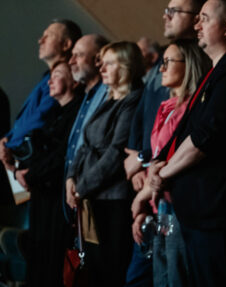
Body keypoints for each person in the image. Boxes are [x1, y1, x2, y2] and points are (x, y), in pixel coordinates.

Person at [149, 0, 226, 287]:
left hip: (219, 215)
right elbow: (188, 134)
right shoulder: (216, 72)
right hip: (200, 213)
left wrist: (163, 173)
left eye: (205, 19)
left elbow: (204, 138)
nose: (196, 24)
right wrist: (160, 167)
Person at [123, 0, 208, 287]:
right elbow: (141, 123)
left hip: (174, 196)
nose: (166, 16)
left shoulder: (203, 74)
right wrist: (135, 160)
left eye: (174, 11)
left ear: (199, 16)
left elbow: (184, 144)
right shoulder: (161, 74)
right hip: (152, 192)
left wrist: (148, 174)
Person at [65, 41, 144, 287]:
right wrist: (70, 178)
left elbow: (116, 153)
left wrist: (81, 186)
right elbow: (85, 143)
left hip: (112, 200)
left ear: (126, 66)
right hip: (92, 196)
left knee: (109, 271)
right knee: (94, 271)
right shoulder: (108, 100)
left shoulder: (132, 101)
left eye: (110, 63)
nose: (102, 68)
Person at [16, 61, 83, 287]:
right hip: (40, 192)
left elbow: (63, 155)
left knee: (50, 259)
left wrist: (31, 174)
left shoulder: (77, 113)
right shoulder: (54, 113)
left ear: (74, 82)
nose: (49, 81)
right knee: (36, 254)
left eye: (57, 75)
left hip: (56, 197)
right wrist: (21, 171)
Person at [0, 19, 81, 169]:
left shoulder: (65, 80)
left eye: (48, 36)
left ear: (66, 45)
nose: (40, 40)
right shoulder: (46, 78)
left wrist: (9, 144)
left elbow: (41, 117)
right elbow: (25, 118)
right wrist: (7, 138)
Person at [63, 34, 111, 220]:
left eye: (79, 55)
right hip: (76, 192)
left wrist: (81, 184)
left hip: (96, 193)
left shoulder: (108, 93)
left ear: (98, 59)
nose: (71, 61)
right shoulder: (86, 94)